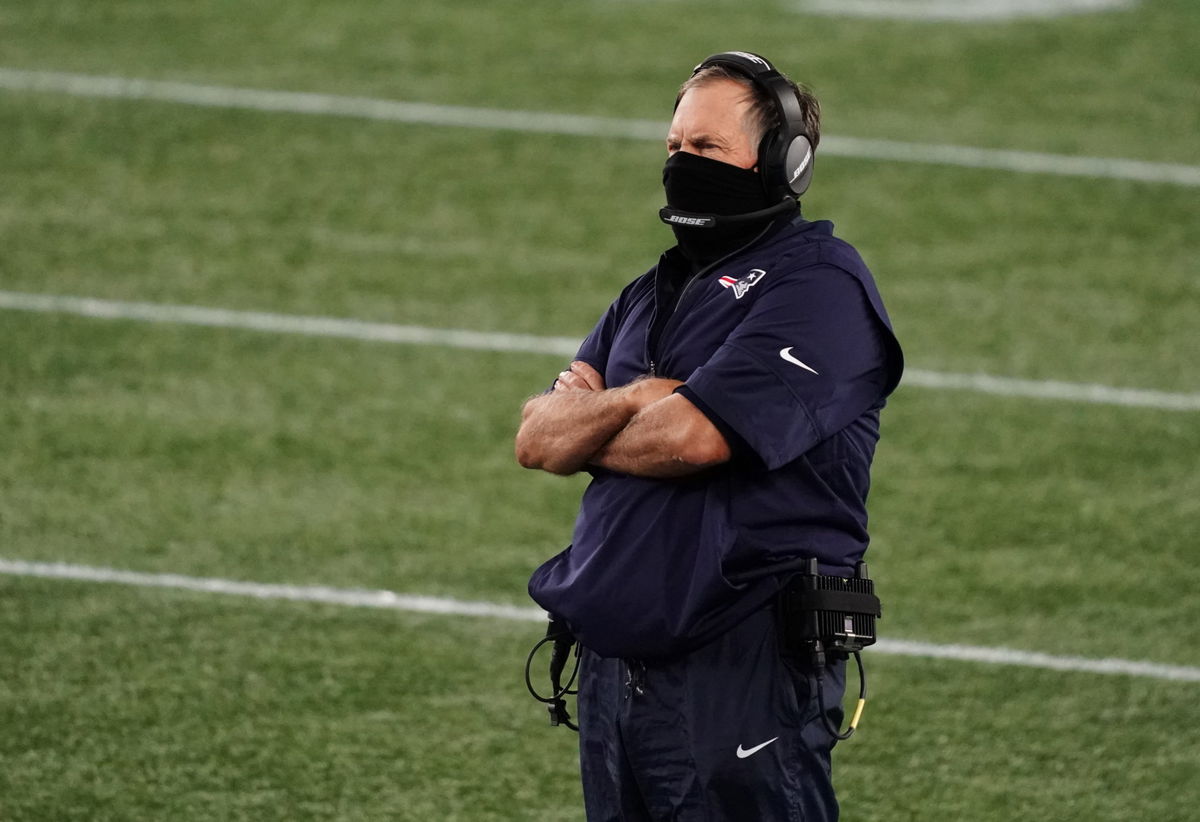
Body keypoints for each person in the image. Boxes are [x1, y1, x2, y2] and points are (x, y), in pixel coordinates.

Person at [514, 51, 903, 822]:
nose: (682, 165)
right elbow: (538, 440)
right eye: (674, 147)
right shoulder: (651, 290)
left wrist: (606, 419)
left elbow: (694, 438)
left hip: (744, 662)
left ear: (783, 164)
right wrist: (641, 399)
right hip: (618, 669)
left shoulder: (820, 286)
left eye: (708, 149)